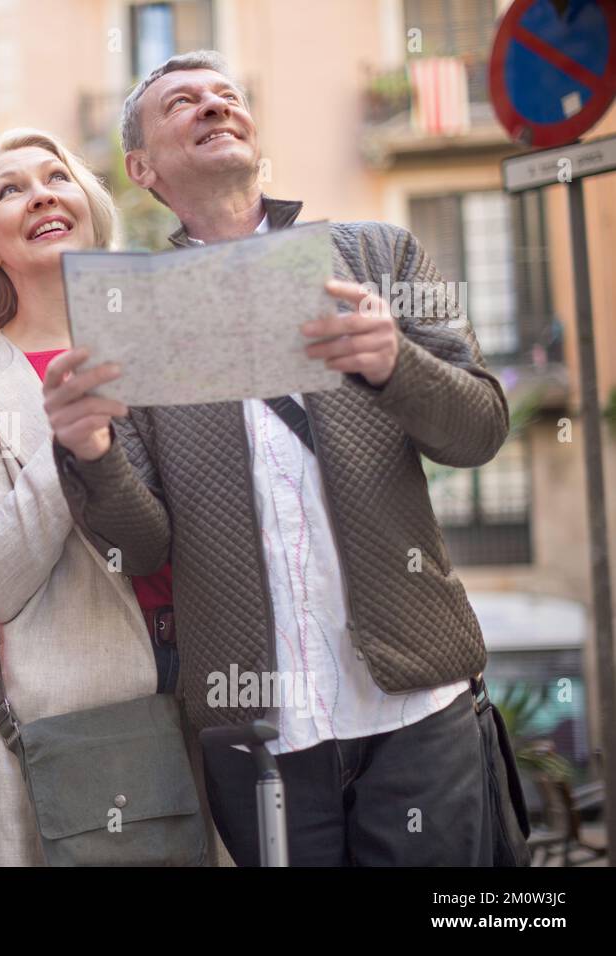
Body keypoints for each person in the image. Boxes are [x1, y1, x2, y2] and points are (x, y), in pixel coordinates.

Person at [44, 50, 509, 866]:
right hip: (256, 726)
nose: (214, 106)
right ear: (141, 167)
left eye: (228, 96)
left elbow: (478, 434)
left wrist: (395, 358)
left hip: (417, 704)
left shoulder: (376, 255)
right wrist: (91, 453)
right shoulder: (134, 317)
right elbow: (142, 546)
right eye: (182, 102)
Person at [0, 129, 210, 866]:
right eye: (10, 189)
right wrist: (66, 441)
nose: (43, 193)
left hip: (222, 699)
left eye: (57, 176)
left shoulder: (169, 336)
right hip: (82, 730)